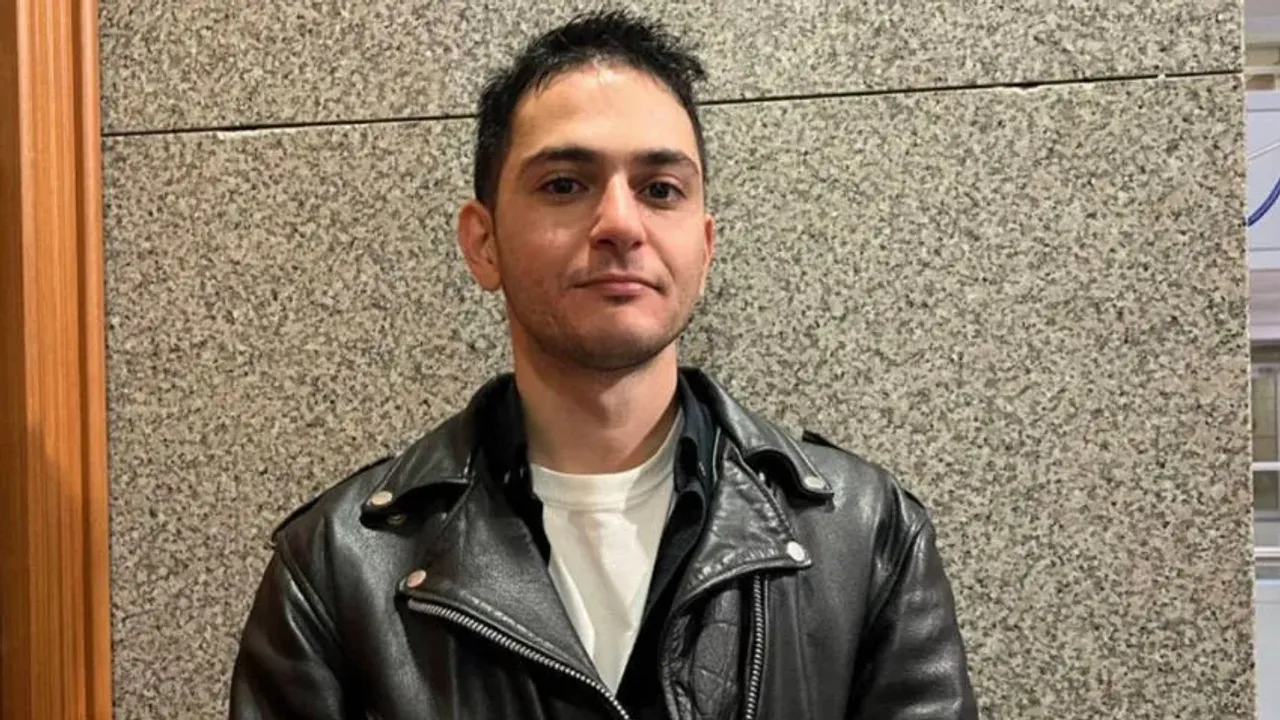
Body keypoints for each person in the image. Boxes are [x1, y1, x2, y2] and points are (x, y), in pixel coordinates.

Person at [230, 10, 976, 719]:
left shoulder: (864, 537)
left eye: (660, 190)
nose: (620, 222)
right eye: (564, 184)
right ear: (483, 243)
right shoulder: (339, 566)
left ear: (704, 247)